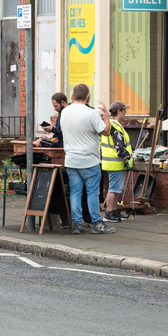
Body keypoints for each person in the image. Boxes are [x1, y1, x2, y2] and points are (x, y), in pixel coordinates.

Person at [60, 83, 116, 234]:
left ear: (72, 96)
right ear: (88, 97)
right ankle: (97, 224)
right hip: (89, 160)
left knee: (75, 192)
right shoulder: (91, 113)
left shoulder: (65, 112)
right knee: (92, 193)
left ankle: (77, 224)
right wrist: (105, 115)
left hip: (71, 159)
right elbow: (105, 131)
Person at [100, 101, 133, 223]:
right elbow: (119, 146)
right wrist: (128, 158)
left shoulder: (109, 124)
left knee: (116, 188)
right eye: (124, 110)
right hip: (116, 162)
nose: (125, 112)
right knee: (114, 188)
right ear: (119, 111)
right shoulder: (115, 125)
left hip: (112, 162)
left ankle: (113, 211)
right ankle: (109, 213)